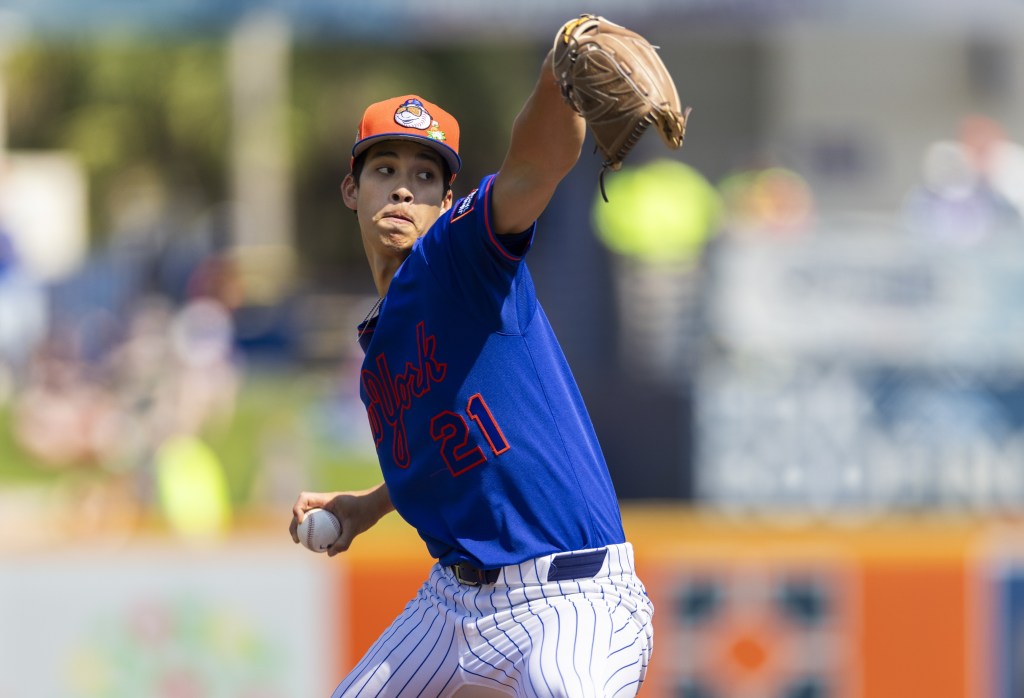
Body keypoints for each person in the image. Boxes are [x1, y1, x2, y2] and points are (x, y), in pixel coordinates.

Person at [290, 46, 654, 698]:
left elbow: (532, 170)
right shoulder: (380, 350)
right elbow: (439, 460)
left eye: (426, 176)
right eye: (385, 168)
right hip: (453, 605)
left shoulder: (462, 257)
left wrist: (557, 78)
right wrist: (368, 507)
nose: (405, 186)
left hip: (569, 599)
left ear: (445, 198)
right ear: (352, 189)